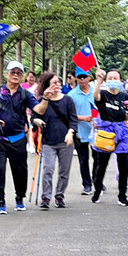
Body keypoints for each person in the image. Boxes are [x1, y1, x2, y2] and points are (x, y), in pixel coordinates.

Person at [0, 61, 59, 214]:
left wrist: (45, 98)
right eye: (13, 72)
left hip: (18, 138)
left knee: (20, 171)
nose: (16, 75)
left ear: (22, 76)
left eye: (19, 73)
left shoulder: (25, 94)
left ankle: (19, 197)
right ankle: (0, 201)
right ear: (7, 74)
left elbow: (39, 109)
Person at [31, 73, 78, 209]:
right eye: (54, 83)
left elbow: (73, 120)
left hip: (65, 141)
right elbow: (34, 117)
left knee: (64, 170)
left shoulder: (67, 100)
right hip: (48, 141)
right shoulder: (42, 100)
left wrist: (70, 132)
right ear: (46, 85)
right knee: (48, 169)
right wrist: (37, 121)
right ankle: (46, 196)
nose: (57, 85)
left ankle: (59, 195)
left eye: (58, 82)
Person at [91, 68, 128, 206]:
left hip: (121, 132)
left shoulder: (125, 96)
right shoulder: (102, 94)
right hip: (106, 132)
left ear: (121, 81)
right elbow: (95, 96)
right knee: (101, 165)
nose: (113, 80)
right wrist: (99, 80)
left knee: (123, 166)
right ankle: (97, 190)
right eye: (110, 78)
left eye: (116, 78)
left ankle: (122, 195)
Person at [68, 67, 97, 195]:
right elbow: (69, 114)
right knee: (83, 160)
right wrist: (82, 118)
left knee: (98, 158)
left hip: (97, 131)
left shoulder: (96, 92)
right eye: (79, 77)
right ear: (76, 78)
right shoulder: (71, 95)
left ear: (89, 77)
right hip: (80, 132)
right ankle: (87, 184)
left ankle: (97, 180)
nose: (82, 79)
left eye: (84, 77)